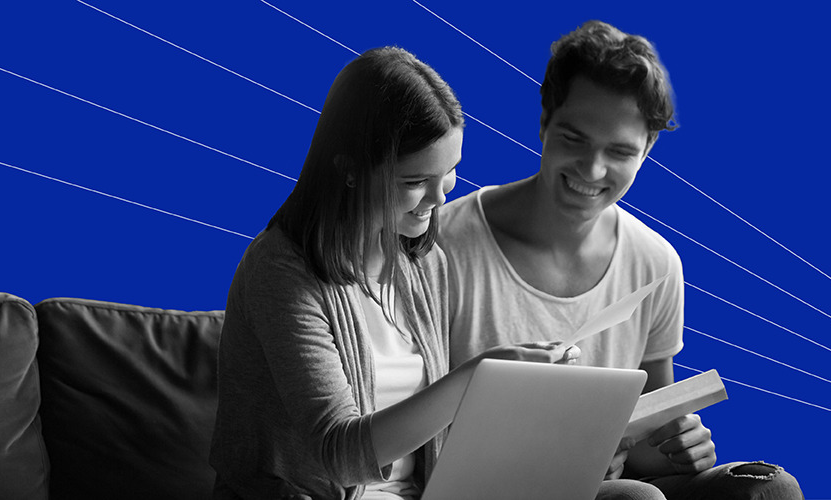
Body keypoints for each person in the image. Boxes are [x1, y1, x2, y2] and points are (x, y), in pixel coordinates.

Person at [438, 21, 804, 499]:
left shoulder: (655, 262)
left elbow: (644, 434)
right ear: (545, 121)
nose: (592, 171)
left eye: (619, 152)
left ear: (648, 149)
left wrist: (679, 446)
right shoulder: (442, 241)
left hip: (601, 485)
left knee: (770, 487)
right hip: (480, 486)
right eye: (574, 139)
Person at [209, 46, 574, 500]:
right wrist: (476, 377)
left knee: (632, 496)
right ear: (349, 169)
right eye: (415, 181)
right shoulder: (280, 272)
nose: (439, 199)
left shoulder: (426, 265)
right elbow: (340, 456)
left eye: (451, 173)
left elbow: (431, 436)